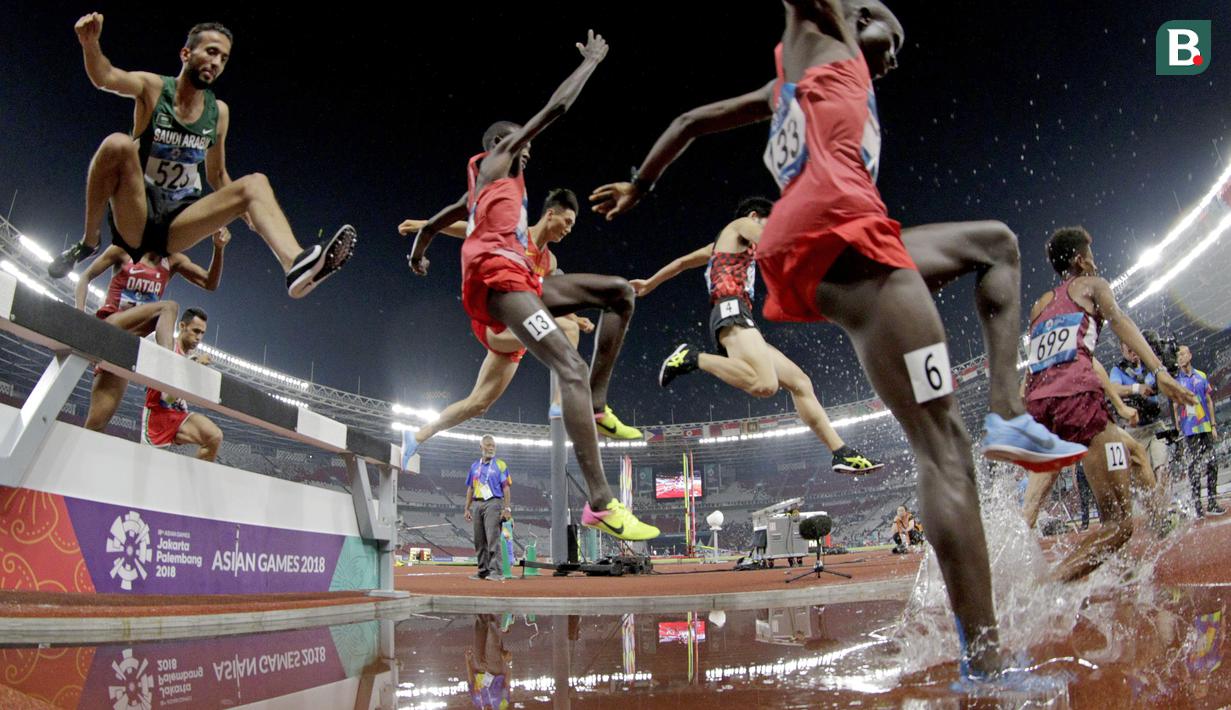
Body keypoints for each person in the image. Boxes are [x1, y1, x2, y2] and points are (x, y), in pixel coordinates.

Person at [587, 0, 1082, 675]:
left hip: (824, 244)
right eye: (887, 25)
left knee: (994, 244)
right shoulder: (833, 41)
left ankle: (1006, 409)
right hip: (840, 232)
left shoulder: (786, 85)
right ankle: (988, 663)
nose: (896, 45)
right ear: (847, 15)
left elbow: (689, 121)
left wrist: (641, 184)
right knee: (943, 451)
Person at [408, 30, 656, 541]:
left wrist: (421, 246)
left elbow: (443, 219)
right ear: (504, 144)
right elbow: (557, 107)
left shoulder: (488, 187)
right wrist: (590, 62)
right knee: (567, 362)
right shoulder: (503, 157)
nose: (528, 151)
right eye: (520, 141)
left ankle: (599, 404)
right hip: (498, 286)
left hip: (520, 282)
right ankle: (601, 503)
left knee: (620, 294)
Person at [50, 13, 355, 298]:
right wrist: (90, 44)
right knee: (117, 144)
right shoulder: (153, 87)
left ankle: (295, 265)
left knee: (256, 183)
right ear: (186, 54)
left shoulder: (218, 112)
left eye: (223, 58)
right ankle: (89, 242)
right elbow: (105, 76)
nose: (217, 62)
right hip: (138, 213)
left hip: (179, 223)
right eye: (210, 52)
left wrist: (251, 209)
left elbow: (217, 175)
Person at [634, 196, 882, 473]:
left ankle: (841, 452)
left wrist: (649, 283)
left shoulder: (718, 247)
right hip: (730, 309)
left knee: (800, 382)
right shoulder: (740, 225)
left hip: (740, 316)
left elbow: (682, 263)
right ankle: (692, 357)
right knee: (765, 385)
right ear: (754, 217)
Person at [398, 188, 639, 458]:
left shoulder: (550, 262)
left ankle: (417, 436)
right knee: (566, 330)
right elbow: (470, 230)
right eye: (567, 222)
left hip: (518, 336)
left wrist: (575, 317)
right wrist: (424, 226)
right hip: (496, 323)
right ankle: (561, 401)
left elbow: (546, 297)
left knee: (478, 403)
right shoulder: (515, 235)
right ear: (550, 214)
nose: (569, 230)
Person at [1021, 227, 1196, 582]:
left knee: (1132, 451)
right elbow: (1120, 321)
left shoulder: (1040, 305)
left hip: (1040, 405)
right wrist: (1159, 370)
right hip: (1077, 403)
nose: (1095, 261)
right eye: (1092, 254)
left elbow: (1052, 362)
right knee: (1119, 526)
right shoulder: (1093, 285)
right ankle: (1043, 589)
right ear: (1080, 260)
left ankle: (1160, 519)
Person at [76, 227, 229, 433]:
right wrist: (79, 319)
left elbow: (210, 283)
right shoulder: (122, 251)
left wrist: (218, 249)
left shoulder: (173, 261)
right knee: (169, 307)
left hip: (126, 347)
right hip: (111, 327)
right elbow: (85, 277)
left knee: (97, 424)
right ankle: (169, 368)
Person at [142, 307, 223, 461]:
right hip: (157, 416)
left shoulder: (190, 358)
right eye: (195, 331)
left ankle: (195, 484)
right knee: (148, 469)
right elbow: (167, 398)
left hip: (178, 416)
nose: (199, 337)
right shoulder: (166, 345)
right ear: (182, 326)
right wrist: (194, 367)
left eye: (202, 333)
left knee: (214, 436)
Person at [1108, 338, 1172, 483]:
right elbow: (1114, 389)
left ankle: (1164, 504)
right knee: (1144, 480)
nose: (1133, 353)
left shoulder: (1149, 364)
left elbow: (1165, 377)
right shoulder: (1117, 370)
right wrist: (1137, 388)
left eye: (1134, 349)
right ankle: (1152, 504)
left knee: (1162, 469)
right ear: (1122, 351)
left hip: (1155, 426)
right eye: (1129, 351)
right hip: (1134, 433)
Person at [1173, 345, 1223, 516]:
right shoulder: (1176, 381)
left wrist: (1214, 425)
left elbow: (1208, 400)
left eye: (1183, 353)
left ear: (1190, 355)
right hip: (1189, 430)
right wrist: (1177, 425)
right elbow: (1174, 405)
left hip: (1205, 427)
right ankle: (1197, 506)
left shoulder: (1201, 375)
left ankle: (1212, 501)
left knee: (1212, 463)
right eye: (1178, 355)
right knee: (1194, 467)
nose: (1180, 357)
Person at [463, 435, 512, 581]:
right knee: (479, 540)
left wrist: (507, 508)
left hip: (493, 502)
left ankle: (496, 571)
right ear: (481, 447)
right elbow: (470, 489)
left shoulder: (501, 465)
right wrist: (467, 508)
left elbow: (506, 488)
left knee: (492, 538)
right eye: (488, 445)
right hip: (478, 503)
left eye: (493, 446)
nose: (491, 448)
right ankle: (483, 570)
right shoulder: (474, 466)